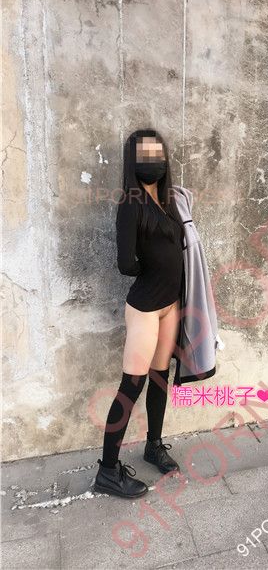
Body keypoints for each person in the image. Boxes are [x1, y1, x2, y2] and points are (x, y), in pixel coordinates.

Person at [94, 129, 185, 499]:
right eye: (147, 156)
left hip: (171, 306)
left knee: (160, 378)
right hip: (146, 307)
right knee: (132, 385)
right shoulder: (131, 202)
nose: (154, 162)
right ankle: (107, 472)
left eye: (158, 154)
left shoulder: (168, 201)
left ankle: (153, 446)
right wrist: (151, 267)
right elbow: (125, 263)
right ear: (134, 161)